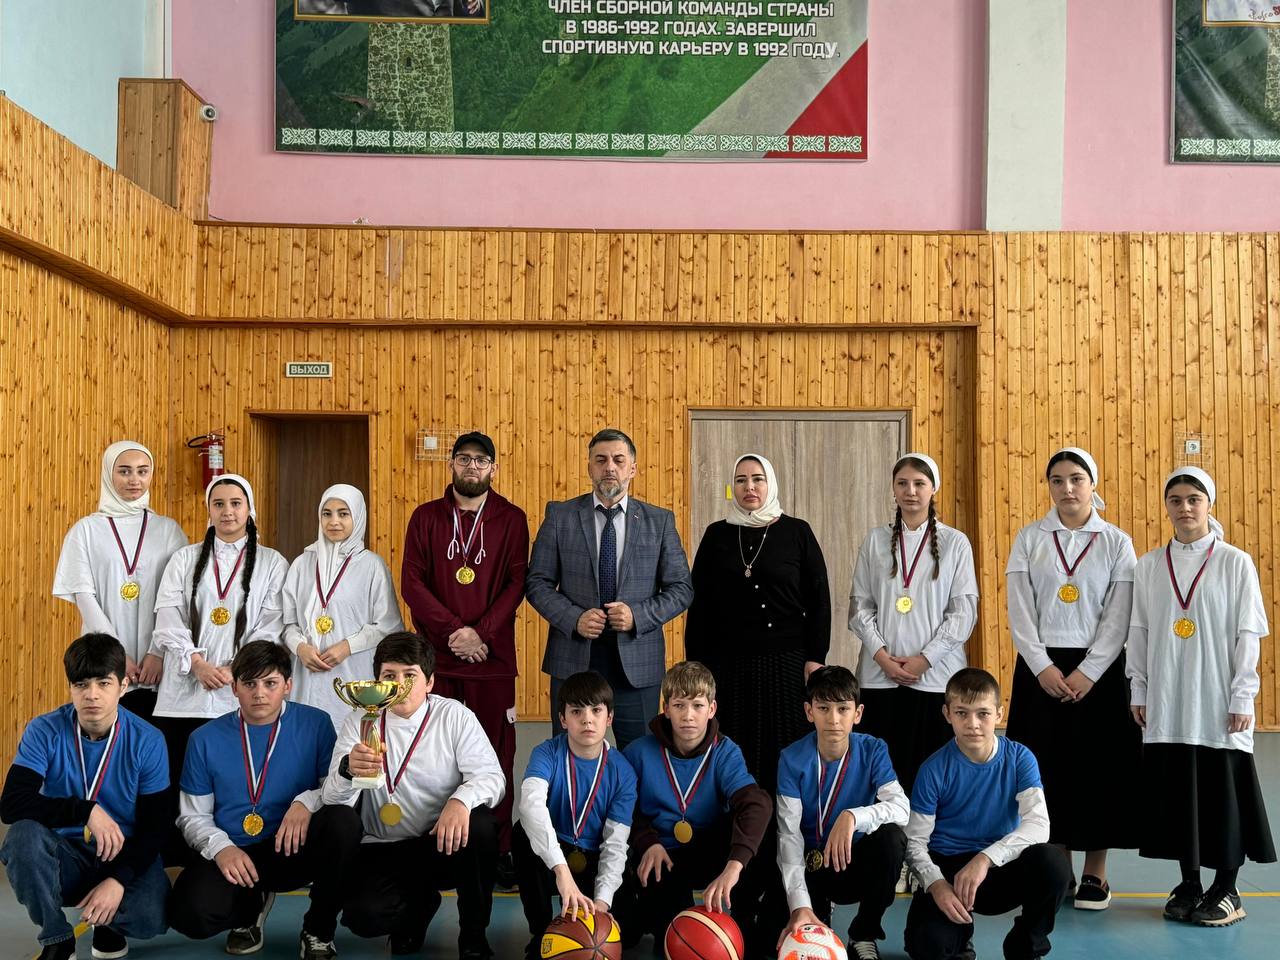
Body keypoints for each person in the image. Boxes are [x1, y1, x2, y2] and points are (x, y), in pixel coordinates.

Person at [1128, 466, 1276, 927]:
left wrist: (1243, 694)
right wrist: (1139, 687)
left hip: (1215, 700)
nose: (1185, 508)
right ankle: (1190, 883)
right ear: (1166, 507)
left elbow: (1248, 633)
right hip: (1169, 700)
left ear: (1209, 504)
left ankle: (1227, 887)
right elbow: (1139, 630)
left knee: (1222, 796)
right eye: (1176, 500)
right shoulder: (1150, 565)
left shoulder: (1235, 562)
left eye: (1194, 499)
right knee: (1181, 797)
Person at [310, 631, 506, 959]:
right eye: (389, 676)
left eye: (410, 675)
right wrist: (347, 770)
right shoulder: (360, 720)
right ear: (376, 682)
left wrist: (460, 800)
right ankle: (419, 908)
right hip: (381, 848)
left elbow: (493, 778)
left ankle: (473, 937)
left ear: (430, 682)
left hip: (439, 844)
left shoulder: (454, 716)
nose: (399, 684)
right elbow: (332, 802)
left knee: (481, 825)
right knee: (363, 917)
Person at [1004, 448, 1140, 909]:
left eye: (1076, 479)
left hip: (1098, 672)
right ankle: (1057, 865)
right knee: (1046, 769)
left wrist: (1090, 670)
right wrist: (1041, 665)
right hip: (1041, 670)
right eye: (1057, 480)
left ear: (1092, 484)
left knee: (1100, 770)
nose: (1067, 488)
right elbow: (1020, 609)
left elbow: (1119, 615)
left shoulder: (1117, 541)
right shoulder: (1030, 538)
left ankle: (1096, 873)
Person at [402, 430, 528, 884]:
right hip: (439, 662)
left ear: (494, 468)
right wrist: (456, 632)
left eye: (480, 460)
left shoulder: (511, 518)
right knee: (433, 756)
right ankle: (436, 843)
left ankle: (499, 848)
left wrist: (481, 633)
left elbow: (517, 583)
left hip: (492, 662)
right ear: (451, 464)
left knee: (497, 754)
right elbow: (412, 584)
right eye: (464, 458)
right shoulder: (426, 517)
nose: (472, 466)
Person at [169, 641, 342, 958]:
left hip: (290, 847)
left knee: (343, 822)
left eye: (270, 683)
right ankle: (250, 909)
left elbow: (334, 789)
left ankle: (318, 929)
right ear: (234, 688)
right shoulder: (203, 739)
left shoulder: (317, 724)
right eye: (249, 683)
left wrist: (306, 801)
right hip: (235, 850)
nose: (259, 693)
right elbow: (193, 816)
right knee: (190, 915)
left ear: (288, 685)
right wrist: (221, 848)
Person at [0, 634, 169, 960]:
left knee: (150, 915)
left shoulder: (148, 741)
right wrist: (85, 810)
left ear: (123, 686)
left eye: (103, 683)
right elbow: (12, 804)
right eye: (81, 684)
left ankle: (109, 924)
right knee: (22, 837)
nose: (92, 694)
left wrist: (117, 881)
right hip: (66, 854)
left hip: (123, 851)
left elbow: (156, 828)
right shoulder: (44, 730)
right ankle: (57, 938)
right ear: (71, 688)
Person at [527, 428, 693, 751]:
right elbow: (537, 582)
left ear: (633, 469)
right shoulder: (560, 516)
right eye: (601, 460)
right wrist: (574, 618)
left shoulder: (659, 521)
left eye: (618, 460)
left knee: (642, 756)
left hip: (637, 664)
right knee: (570, 754)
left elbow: (681, 588)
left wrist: (638, 615)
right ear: (589, 467)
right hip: (574, 658)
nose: (610, 467)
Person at [151, 474, 288, 863]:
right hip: (184, 694)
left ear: (250, 509)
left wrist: (233, 669)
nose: (228, 511)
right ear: (208, 510)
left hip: (237, 691)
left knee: (233, 782)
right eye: (219, 504)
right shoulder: (184, 558)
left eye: (235, 503)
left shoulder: (272, 562)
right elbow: (168, 615)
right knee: (179, 782)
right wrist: (196, 662)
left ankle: (234, 859)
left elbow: (271, 624)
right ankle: (180, 867)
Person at [685, 453, 830, 794]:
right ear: (732, 487)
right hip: (727, 665)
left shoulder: (797, 532)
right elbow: (699, 606)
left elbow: (819, 600)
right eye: (741, 480)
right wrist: (697, 665)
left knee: (785, 746)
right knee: (733, 747)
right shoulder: (717, 534)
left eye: (757, 479)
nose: (749, 487)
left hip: (786, 663)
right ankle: (737, 820)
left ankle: (786, 822)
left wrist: (816, 657)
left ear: (770, 484)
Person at [903, 668, 1071, 960]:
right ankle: (958, 938)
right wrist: (936, 884)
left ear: (999, 714)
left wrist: (985, 859)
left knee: (1053, 863)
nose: (973, 724)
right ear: (947, 714)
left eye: (983, 713)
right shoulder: (932, 769)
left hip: (999, 866)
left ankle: (1025, 947)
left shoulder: (1020, 758)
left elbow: (1038, 825)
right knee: (928, 947)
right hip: (949, 870)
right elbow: (915, 842)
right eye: (962, 713)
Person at [614, 661, 773, 955]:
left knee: (762, 823)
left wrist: (734, 866)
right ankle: (650, 915)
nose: (688, 715)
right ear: (666, 708)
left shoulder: (725, 751)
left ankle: (745, 917)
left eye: (698, 706)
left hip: (711, 851)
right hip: (662, 857)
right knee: (671, 942)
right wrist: (646, 841)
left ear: (711, 709)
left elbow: (756, 804)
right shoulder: (638, 752)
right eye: (679, 705)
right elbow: (620, 807)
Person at [849, 453, 978, 797]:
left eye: (919, 483)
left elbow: (963, 612)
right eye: (902, 483)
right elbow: (860, 607)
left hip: (935, 678)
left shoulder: (955, 543)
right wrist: (881, 656)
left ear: (933, 488)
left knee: (931, 777)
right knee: (881, 777)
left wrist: (925, 659)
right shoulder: (875, 540)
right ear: (893, 489)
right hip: (880, 677)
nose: (910, 491)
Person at [774, 666, 908, 960]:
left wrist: (853, 816)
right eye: (823, 708)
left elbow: (902, 809)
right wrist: (799, 905)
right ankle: (815, 913)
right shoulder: (791, 759)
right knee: (777, 937)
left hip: (853, 860)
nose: (833, 719)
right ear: (809, 711)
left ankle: (863, 933)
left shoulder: (873, 750)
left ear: (857, 713)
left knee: (892, 839)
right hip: (809, 865)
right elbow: (789, 835)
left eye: (843, 709)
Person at [52, 441, 188, 723]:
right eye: (124, 471)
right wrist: (117, 655)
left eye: (142, 471)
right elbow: (84, 597)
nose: (134, 480)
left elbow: (177, 599)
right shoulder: (85, 530)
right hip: (104, 658)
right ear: (108, 474)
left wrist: (157, 652)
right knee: (106, 735)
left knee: (156, 738)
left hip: (157, 663)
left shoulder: (169, 530)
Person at [513, 670, 637, 960]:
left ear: (609, 718)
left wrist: (602, 905)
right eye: (577, 711)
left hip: (595, 855)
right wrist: (561, 871)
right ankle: (541, 931)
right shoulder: (546, 753)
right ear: (563, 719)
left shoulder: (623, 771)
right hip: (554, 854)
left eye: (596, 711)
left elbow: (616, 844)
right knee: (522, 833)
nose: (587, 719)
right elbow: (530, 805)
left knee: (627, 935)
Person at [284, 484, 403, 731]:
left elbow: (388, 625)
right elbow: (288, 623)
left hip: (354, 670)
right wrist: (300, 647)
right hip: (307, 673)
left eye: (343, 514)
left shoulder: (372, 566)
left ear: (357, 516)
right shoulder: (302, 564)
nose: (334, 521)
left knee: (351, 739)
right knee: (308, 738)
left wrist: (348, 646)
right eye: (327, 514)